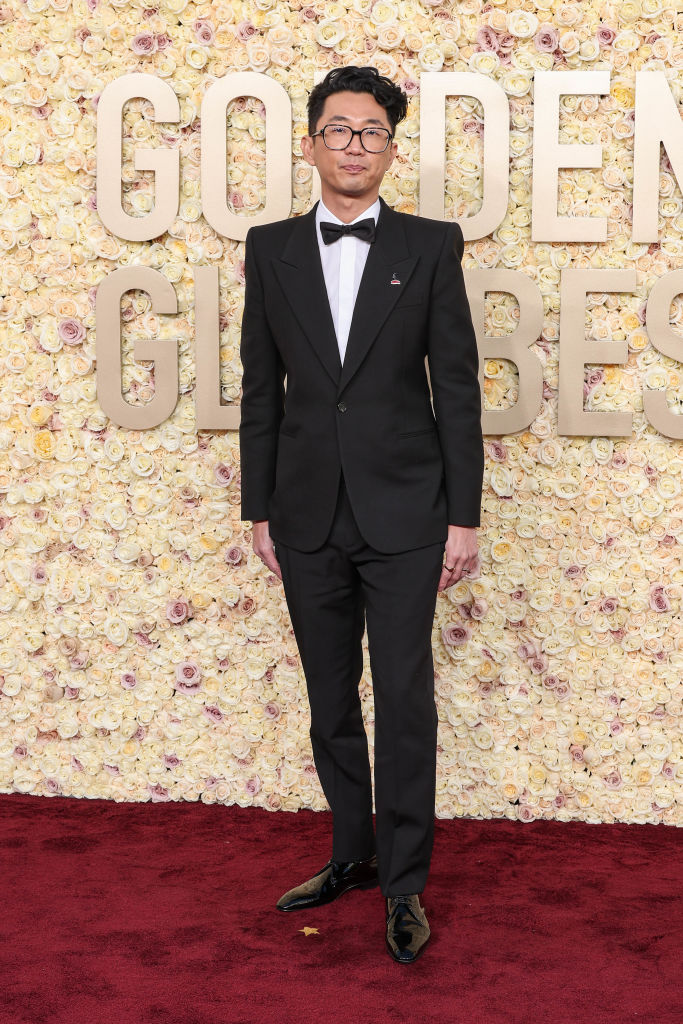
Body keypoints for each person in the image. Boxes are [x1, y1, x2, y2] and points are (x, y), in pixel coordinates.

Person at [239, 65, 484, 964]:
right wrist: (256, 508)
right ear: (310, 143)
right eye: (339, 129)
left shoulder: (428, 245)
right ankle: (350, 852)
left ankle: (404, 884)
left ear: (389, 148)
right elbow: (260, 390)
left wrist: (465, 517)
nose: (354, 145)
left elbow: (454, 388)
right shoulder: (270, 248)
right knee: (328, 697)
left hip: (409, 511)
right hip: (303, 513)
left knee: (404, 697)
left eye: (372, 132)